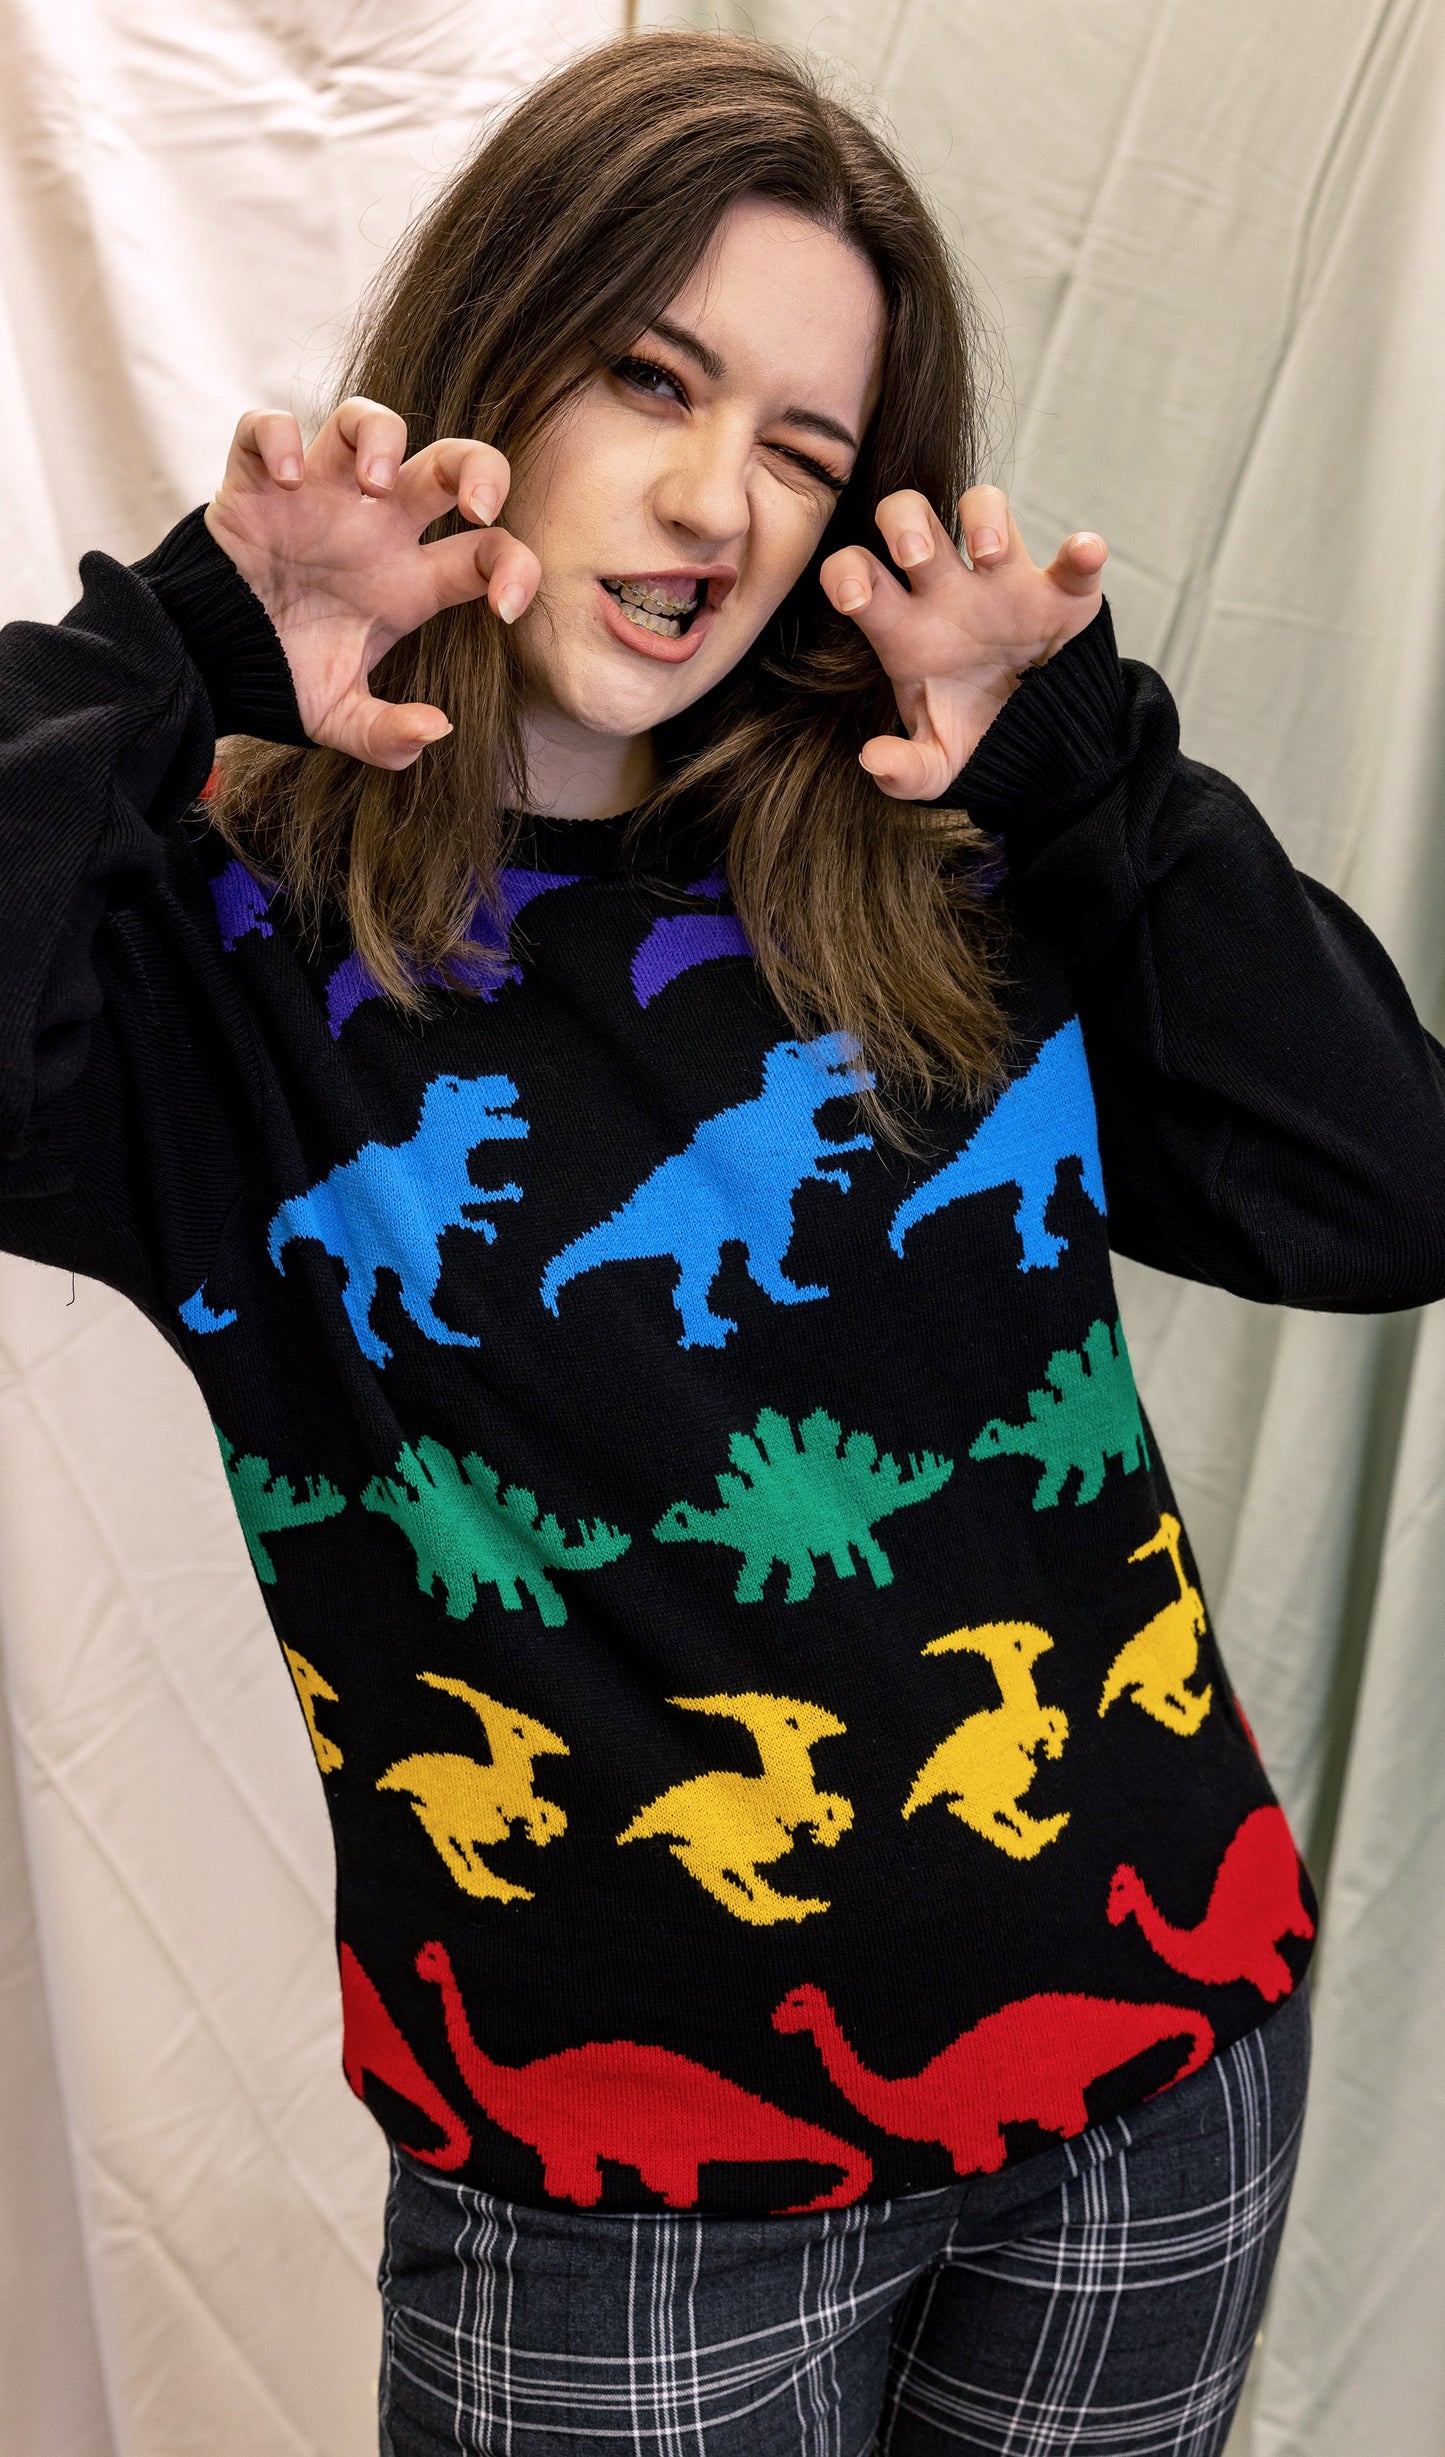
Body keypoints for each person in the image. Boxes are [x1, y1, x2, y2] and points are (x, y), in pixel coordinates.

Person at [2, 27, 1440, 2456]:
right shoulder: (212, 949)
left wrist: (1086, 766)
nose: (710, 500)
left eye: (800, 445)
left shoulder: (940, 853)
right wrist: (186, 641)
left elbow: (1388, 1186)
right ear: (496, 357)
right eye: (651, 377)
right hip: (618, 2198)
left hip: (1157, 2064)